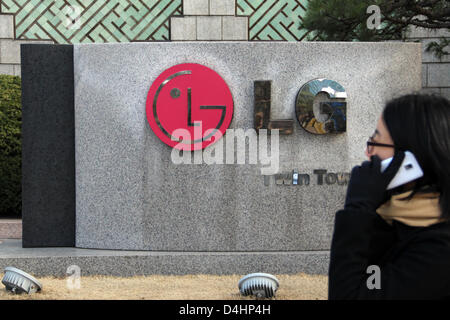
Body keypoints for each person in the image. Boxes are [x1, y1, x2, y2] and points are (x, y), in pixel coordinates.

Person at [328, 93, 450, 300]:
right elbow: (367, 282)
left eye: (376, 142)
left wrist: (357, 210)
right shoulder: (396, 219)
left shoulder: (438, 249)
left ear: (410, 158)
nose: (369, 153)